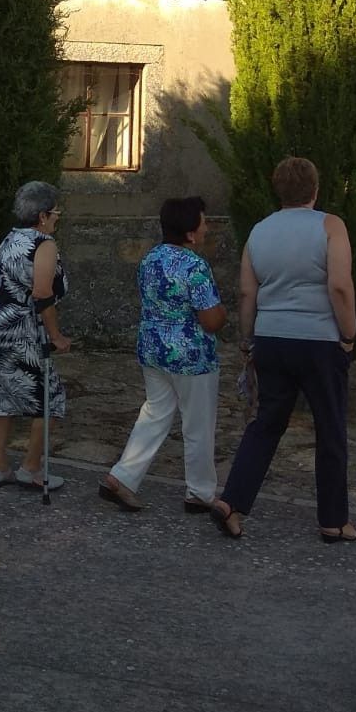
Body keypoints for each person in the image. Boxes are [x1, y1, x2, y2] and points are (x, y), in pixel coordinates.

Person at [210, 157, 356, 542]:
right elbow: (340, 285)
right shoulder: (330, 226)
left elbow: (247, 291)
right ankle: (333, 519)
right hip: (319, 339)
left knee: (265, 424)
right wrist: (350, 335)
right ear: (315, 189)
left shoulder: (259, 231)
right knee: (330, 429)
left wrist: (247, 339)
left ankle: (233, 501)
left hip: (272, 336)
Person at [99, 196, 226, 512]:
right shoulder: (194, 265)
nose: (207, 227)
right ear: (190, 232)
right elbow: (210, 320)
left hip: (153, 350)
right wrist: (223, 313)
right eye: (203, 222)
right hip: (191, 357)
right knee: (198, 425)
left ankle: (123, 476)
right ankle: (200, 492)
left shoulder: (150, 259)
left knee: (155, 413)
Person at [0, 181, 71, 492]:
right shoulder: (44, 244)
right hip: (20, 329)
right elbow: (42, 294)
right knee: (49, 400)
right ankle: (31, 468)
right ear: (42, 216)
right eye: (55, 212)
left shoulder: (9, 240)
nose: (57, 217)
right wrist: (56, 335)